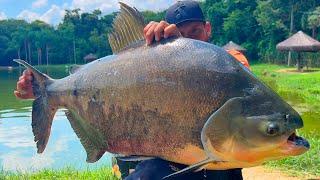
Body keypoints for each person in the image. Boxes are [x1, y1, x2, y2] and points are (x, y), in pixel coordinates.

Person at [14, 1, 246, 179]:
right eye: (181, 35)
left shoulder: (230, 62)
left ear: (208, 29)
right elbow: (114, 86)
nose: (188, 42)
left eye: (194, 32)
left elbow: (244, 86)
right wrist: (41, 91)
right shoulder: (156, 63)